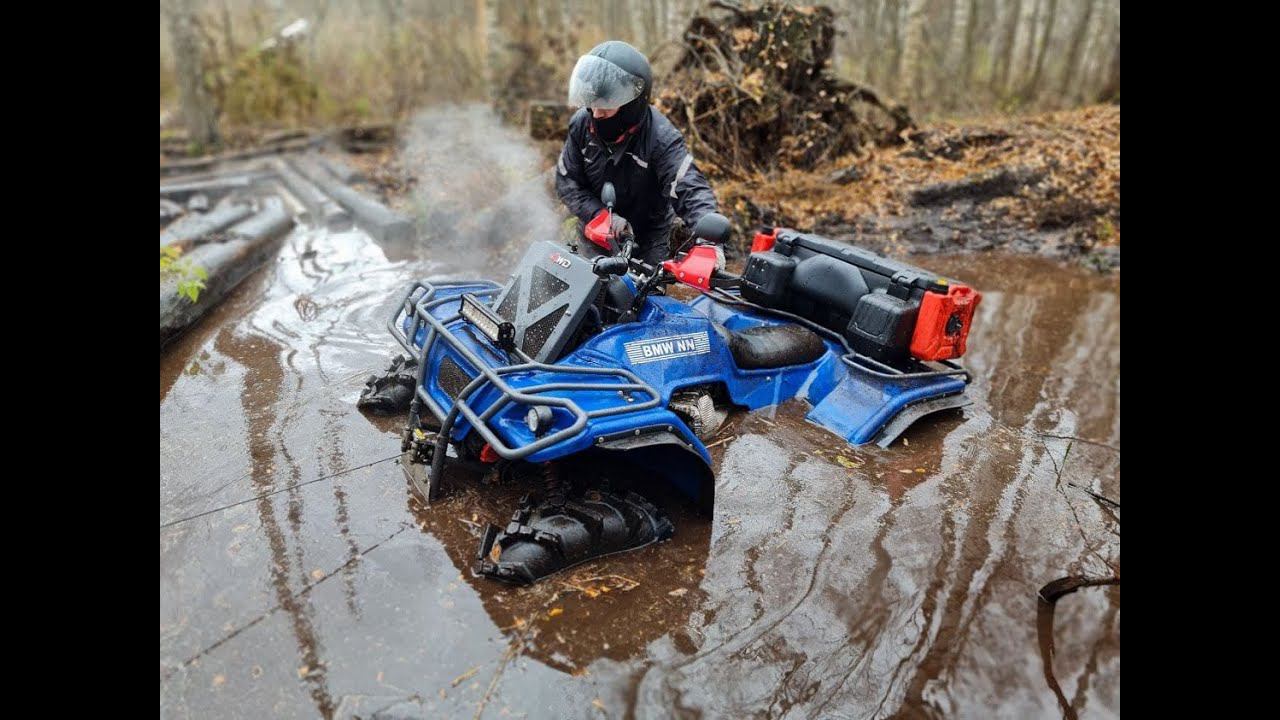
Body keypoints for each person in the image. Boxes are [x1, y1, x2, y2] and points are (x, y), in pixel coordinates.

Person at [555, 40, 723, 270]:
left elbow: (690, 188)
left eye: (606, 106)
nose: (596, 112)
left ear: (632, 103)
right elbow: (567, 182)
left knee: (643, 301)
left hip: (647, 240)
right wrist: (599, 215)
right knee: (585, 296)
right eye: (593, 103)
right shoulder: (582, 125)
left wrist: (708, 243)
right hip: (596, 232)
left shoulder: (661, 138)